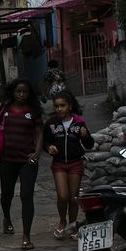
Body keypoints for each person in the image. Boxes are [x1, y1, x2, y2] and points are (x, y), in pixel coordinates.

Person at [0, 79, 44, 250]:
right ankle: (7, 217)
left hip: (27, 159)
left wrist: (37, 153)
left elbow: (39, 133)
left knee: (26, 195)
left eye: (25, 92)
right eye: (19, 92)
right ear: (13, 92)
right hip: (7, 159)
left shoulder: (33, 111)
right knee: (7, 194)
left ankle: (26, 235)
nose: (22, 95)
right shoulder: (5, 109)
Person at [43, 89, 95, 240]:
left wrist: (85, 136)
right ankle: (62, 221)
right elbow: (45, 142)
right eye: (56, 106)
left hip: (75, 164)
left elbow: (90, 144)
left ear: (70, 106)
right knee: (62, 196)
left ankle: (72, 224)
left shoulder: (79, 123)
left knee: (73, 197)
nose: (59, 109)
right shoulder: (51, 123)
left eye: (62, 105)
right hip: (59, 164)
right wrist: (49, 148)